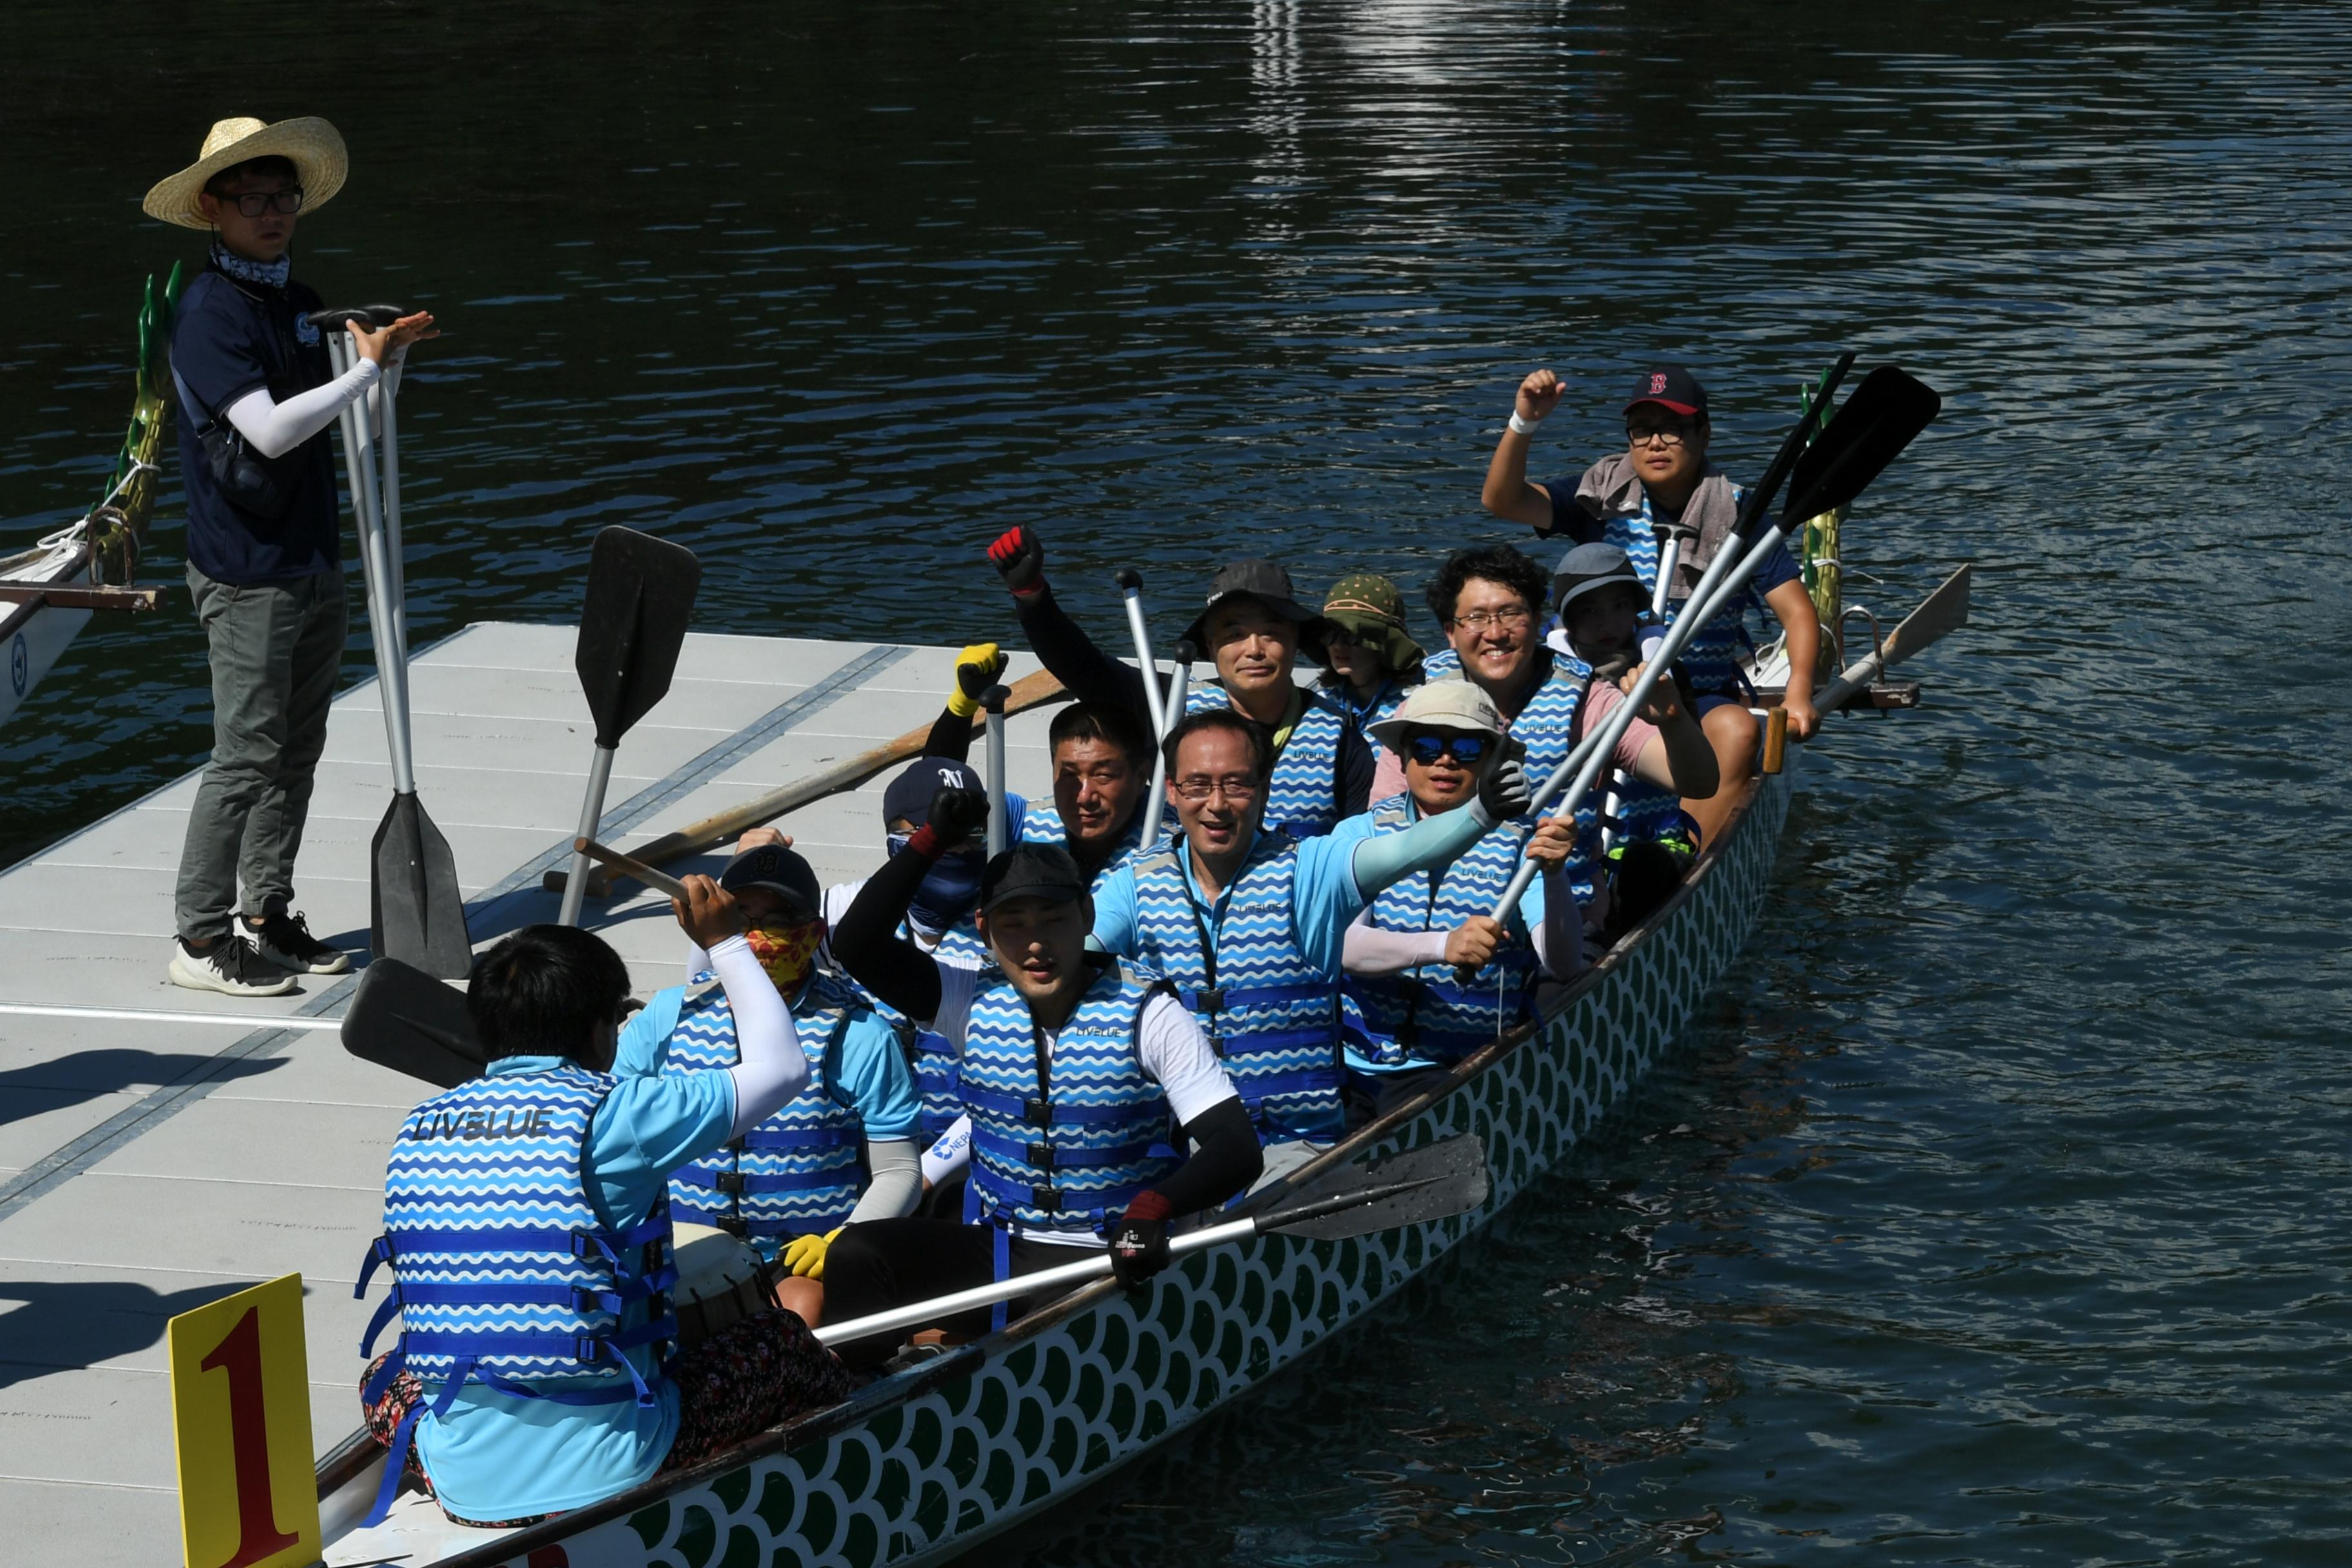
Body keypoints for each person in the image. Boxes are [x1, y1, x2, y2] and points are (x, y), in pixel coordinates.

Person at [353, 883, 852, 1529]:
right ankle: (867, 1434)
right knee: (779, 1341)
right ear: (599, 1028)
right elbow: (782, 1067)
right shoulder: (622, 1112)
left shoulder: (418, 1126)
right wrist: (725, 941)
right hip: (616, 1467)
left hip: (463, 1480)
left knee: (384, 1373)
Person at [142, 115, 438, 995]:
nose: (273, 214)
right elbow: (269, 433)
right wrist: (360, 370)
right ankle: (200, 939)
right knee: (245, 756)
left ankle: (265, 914)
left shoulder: (298, 302)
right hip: (244, 570)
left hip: (310, 557)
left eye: (284, 198)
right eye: (253, 200)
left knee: (296, 753)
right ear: (213, 209)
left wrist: (386, 366)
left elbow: (356, 422)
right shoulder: (208, 313)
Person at [823, 830, 1263, 1367]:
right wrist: (931, 841)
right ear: (984, 930)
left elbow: (1237, 1146)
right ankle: (855, 1409)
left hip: (1119, 1253)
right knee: (857, 1253)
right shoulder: (967, 999)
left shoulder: (1152, 1014)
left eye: (1053, 919)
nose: (1035, 944)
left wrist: (1154, 1209)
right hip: (1005, 1252)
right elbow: (855, 944)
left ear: (1086, 913)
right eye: (1013, 925)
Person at [1088, 707, 1535, 1161]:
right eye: (1198, 785)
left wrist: (1482, 811)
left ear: (1263, 788)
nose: (1217, 804)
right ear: (1172, 791)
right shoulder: (1133, 884)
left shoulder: (1314, 869)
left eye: (1237, 784)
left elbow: (1408, 849)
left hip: (1293, 1149)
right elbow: (1076, 956)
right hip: (1179, 1148)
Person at [1479, 363, 1823, 847]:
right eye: (1641, 431)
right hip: (1599, 681)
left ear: (1703, 433)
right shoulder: (1600, 496)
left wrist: (1800, 693)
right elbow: (1502, 500)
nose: (1654, 443)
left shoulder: (1741, 513)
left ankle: (1686, 858)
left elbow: (1798, 614)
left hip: (1696, 694)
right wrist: (1524, 422)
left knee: (1739, 729)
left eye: (1672, 429)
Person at [616, 842, 923, 1317]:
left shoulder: (860, 1034)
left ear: (814, 932)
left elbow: (898, 1170)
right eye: (741, 917)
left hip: (801, 1268)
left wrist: (840, 1242)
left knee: (801, 1308)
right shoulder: (667, 1015)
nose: (757, 934)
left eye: (777, 921)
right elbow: (616, 1135)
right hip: (684, 1256)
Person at [1395, 545, 1718, 924]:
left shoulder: (1591, 699)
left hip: (1562, 918)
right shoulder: (1421, 700)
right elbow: (1381, 821)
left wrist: (1673, 720)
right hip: (1435, 919)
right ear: (1451, 632)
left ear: (1536, 619)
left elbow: (1698, 783)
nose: (1495, 634)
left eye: (1511, 614)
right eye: (1476, 619)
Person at [984, 524, 1374, 838]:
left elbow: (1355, 853)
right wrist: (1032, 596)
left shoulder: (1341, 738)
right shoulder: (1169, 708)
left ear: (1296, 640)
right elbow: (1083, 667)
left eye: (1271, 632)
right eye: (1234, 633)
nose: (1254, 649)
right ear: (1209, 644)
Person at [1341, 683, 1586, 1124]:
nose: (1446, 760)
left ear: (1492, 760)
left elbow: (1564, 963)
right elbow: (1344, 946)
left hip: (1453, 1072)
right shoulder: (1359, 835)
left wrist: (1554, 876)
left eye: (1469, 748)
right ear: (1402, 756)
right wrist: (1443, 946)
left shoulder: (1522, 843)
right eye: (1428, 746)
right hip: (1349, 1060)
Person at [1316, 573, 1424, 734]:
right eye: (1330, 634)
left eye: (1350, 635)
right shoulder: (1323, 701)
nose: (1338, 645)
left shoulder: (1414, 704)